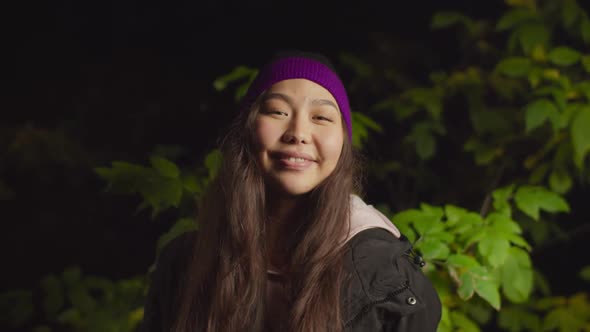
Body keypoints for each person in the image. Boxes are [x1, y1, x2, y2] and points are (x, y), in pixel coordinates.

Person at [139, 50, 441, 332]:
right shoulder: (186, 262)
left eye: (321, 117)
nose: (298, 133)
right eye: (278, 112)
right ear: (246, 129)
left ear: (343, 145)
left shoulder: (386, 278)